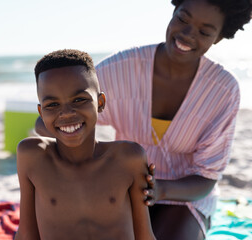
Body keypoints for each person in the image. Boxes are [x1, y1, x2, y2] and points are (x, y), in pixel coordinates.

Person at [94, 0, 252, 239]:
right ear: (173, 11)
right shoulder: (121, 68)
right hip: (123, 191)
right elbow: (71, 114)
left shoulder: (223, 91)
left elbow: (206, 179)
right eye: (182, 19)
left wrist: (161, 190)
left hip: (186, 198)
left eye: (205, 31)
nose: (187, 34)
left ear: (218, 37)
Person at [15, 49, 155, 240]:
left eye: (79, 100)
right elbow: (26, 234)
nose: (66, 113)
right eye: (52, 105)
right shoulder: (32, 156)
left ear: (100, 102)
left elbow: (145, 236)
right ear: (41, 111)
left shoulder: (128, 158)